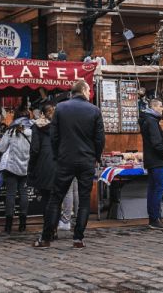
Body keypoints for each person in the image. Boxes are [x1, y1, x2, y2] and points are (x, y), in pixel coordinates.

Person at [34, 81, 105, 249]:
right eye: (89, 90)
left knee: (56, 197)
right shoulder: (94, 110)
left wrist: (58, 154)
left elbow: (54, 135)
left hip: (65, 158)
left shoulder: (61, 108)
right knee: (84, 200)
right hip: (86, 159)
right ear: (84, 91)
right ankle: (78, 238)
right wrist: (96, 156)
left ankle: (46, 238)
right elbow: (100, 138)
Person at [30, 104, 75, 237]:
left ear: (43, 114)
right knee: (56, 199)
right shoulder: (63, 127)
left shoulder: (37, 127)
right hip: (60, 165)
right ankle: (53, 229)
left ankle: (48, 229)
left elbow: (34, 149)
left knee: (46, 200)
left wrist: (32, 166)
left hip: (44, 165)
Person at [0, 107, 33, 234]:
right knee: (24, 194)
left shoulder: (11, 131)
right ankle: (22, 225)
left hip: (12, 167)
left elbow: (1, 148)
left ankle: (8, 226)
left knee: (11, 194)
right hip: (26, 168)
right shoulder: (33, 131)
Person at [139, 98, 163, 229]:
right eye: (160, 106)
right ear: (154, 107)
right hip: (157, 160)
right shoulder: (152, 121)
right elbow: (157, 143)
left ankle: (153, 217)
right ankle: (155, 218)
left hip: (151, 160)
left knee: (153, 189)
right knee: (158, 189)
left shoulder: (148, 120)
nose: (162, 109)